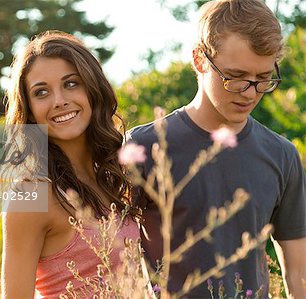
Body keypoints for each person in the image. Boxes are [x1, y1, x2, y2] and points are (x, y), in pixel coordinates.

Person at [127, 0, 306, 297]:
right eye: (235, 77)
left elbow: (299, 273)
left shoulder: (282, 155)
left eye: (263, 78)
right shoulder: (143, 146)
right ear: (199, 60)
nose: (250, 93)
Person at [1, 31, 140, 298]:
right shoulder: (31, 194)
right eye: (41, 92)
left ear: (92, 88)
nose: (59, 101)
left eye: (71, 83)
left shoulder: (112, 178)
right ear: (29, 108)